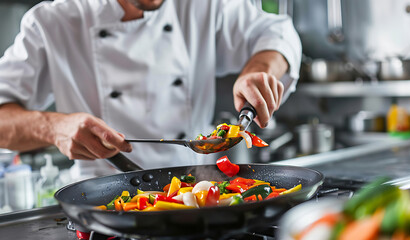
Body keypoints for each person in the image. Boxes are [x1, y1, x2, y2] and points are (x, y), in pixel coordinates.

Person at [0, 0, 301, 180]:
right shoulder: (51, 22)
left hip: (199, 192)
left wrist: (259, 70)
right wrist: (54, 128)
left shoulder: (203, 5)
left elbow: (277, 32)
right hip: (103, 202)